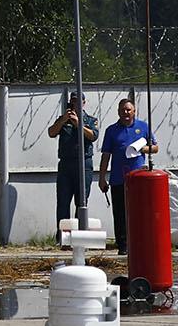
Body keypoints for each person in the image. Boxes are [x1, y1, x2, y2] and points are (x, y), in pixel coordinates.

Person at [96, 97, 160, 255]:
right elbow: (106, 155)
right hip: (119, 178)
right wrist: (102, 177)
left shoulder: (143, 127)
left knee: (139, 212)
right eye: (123, 110)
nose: (125, 112)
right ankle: (123, 245)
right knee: (120, 213)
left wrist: (142, 149)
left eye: (128, 110)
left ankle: (140, 242)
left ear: (134, 111)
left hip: (139, 179)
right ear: (118, 112)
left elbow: (155, 148)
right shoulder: (111, 131)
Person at [45, 93, 97, 227]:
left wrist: (79, 124)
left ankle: (78, 233)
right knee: (63, 201)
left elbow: (93, 136)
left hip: (84, 164)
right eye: (73, 101)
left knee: (81, 201)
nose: (75, 104)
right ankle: (63, 235)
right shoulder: (63, 119)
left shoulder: (90, 120)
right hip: (66, 164)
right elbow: (51, 132)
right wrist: (63, 120)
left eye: (78, 101)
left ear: (84, 103)